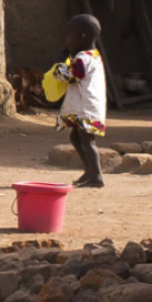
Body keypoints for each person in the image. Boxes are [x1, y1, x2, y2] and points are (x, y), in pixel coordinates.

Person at [53, 14, 108, 188]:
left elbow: (71, 77)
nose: (67, 40)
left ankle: (97, 175)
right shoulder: (93, 56)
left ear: (82, 36)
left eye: (70, 35)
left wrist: (60, 63)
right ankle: (89, 171)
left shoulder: (83, 58)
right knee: (76, 137)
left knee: (87, 141)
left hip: (86, 108)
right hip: (87, 106)